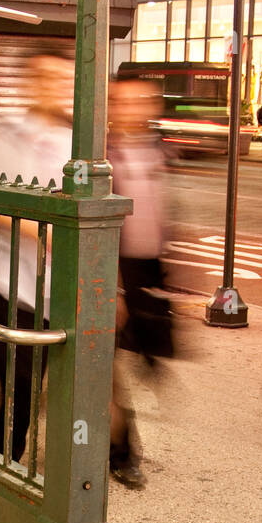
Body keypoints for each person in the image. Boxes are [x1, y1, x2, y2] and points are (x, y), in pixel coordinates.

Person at [0, 52, 67, 464]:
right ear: (30, 82)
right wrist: (37, 225)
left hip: (54, 287)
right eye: (45, 77)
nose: (54, 86)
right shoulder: (7, 133)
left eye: (63, 79)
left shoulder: (75, 142)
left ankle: (9, 459)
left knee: (27, 381)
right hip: (7, 281)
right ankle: (6, 459)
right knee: (3, 366)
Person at [107, 76, 172, 489]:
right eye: (123, 102)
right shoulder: (102, 155)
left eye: (141, 101)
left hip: (147, 270)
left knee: (142, 353)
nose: (133, 109)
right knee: (106, 369)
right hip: (114, 269)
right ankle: (123, 452)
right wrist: (113, 289)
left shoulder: (156, 151)